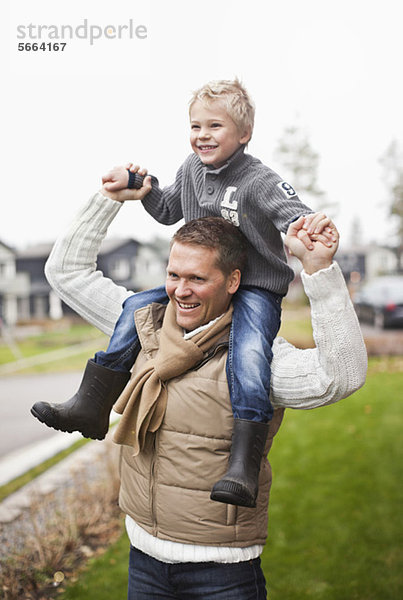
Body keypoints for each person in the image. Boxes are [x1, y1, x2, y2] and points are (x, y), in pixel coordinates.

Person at [37, 187, 367, 599]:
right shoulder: (143, 325)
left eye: (197, 278)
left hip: (222, 575)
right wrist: (109, 198)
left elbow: (341, 376)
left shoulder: (257, 357)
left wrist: (318, 270)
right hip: (144, 562)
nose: (181, 290)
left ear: (232, 281)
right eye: (174, 275)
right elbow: (67, 273)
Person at [32, 78, 337, 508]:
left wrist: (314, 230)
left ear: (244, 134)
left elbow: (295, 216)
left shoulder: (260, 180)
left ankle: (242, 465)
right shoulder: (191, 170)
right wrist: (143, 188)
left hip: (253, 290)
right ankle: (92, 403)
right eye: (195, 126)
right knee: (137, 307)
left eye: (215, 126)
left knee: (250, 356)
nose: (202, 135)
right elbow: (168, 208)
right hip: (198, 279)